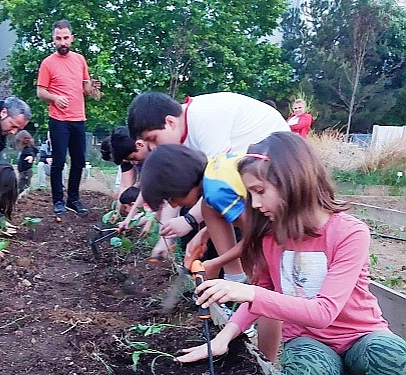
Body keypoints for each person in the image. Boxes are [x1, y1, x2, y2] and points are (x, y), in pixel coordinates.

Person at [175, 132, 406, 374]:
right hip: (309, 340)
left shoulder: (349, 232)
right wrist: (223, 338)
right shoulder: (271, 237)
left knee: (390, 357)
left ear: (292, 181)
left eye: (260, 191)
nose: (253, 204)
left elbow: (323, 312)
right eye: (250, 194)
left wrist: (248, 291)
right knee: (307, 368)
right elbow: (265, 291)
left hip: (361, 335)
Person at [127, 91, 290, 282]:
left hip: (279, 167)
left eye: (152, 139)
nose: (153, 148)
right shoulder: (184, 143)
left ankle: (261, 281)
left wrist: (212, 256)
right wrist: (174, 236)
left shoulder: (206, 120)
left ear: (170, 122)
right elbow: (183, 195)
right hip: (245, 174)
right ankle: (236, 277)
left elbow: (256, 233)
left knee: (221, 213)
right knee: (208, 209)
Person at [36, 19, 100, 216]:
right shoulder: (47, 63)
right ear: (53, 39)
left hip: (78, 119)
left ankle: (73, 199)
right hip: (58, 120)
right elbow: (40, 92)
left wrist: (93, 89)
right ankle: (58, 201)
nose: (62, 42)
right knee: (58, 161)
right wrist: (54, 97)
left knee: (79, 161)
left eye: (65, 38)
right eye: (58, 38)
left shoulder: (80, 60)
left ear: (72, 38)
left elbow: (85, 87)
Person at [15, 130, 39, 195]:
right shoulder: (26, 149)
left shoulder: (28, 149)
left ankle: (20, 198)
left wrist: (31, 157)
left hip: (25, 172)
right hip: (23, 172)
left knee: (22, 186)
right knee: (21, 185)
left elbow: (31, 153)